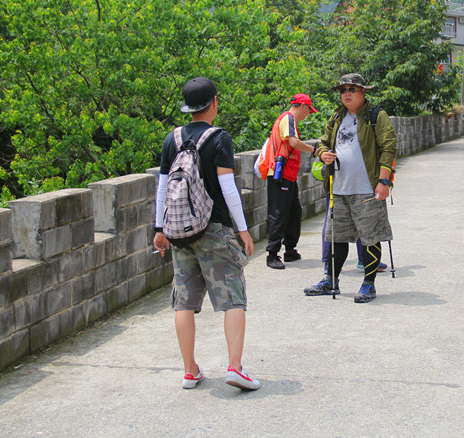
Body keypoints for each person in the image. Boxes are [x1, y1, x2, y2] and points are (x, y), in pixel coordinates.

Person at [153, 76, 260, 391]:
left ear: (188, 108)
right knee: (232, 298)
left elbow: (162, 186)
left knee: (183, 302)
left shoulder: (171, 139)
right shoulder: (219, 138)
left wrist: (158, 228)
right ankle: (235, 367)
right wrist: (243, 230)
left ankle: (190, 370)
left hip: (179, 231)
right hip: (214, 230)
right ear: (214, 102)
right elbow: (228, 188)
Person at [304, 73, 396, 303]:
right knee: (336, 237)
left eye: (352, 89)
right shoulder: (337, 116)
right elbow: (323, 142)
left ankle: (368, 284)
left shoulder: (377, 116)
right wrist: (322, 153)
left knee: (369, 237)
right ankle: (330, 280)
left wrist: (384, 182)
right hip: (338, 188)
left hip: (367, 188)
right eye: (343, 90)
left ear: (363, 91)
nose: (346, 93)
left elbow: (388, 147)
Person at [265, 94, 318, 269]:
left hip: (289, 175)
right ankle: (272, 254)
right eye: (309, 111)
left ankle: (290, 250)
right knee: (279, 213)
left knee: (293, 212)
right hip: (281, 174)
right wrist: (313, 150)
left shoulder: (288, 120)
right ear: (302, 106)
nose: (308, 114)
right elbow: (294, 142)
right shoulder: (288, 118)